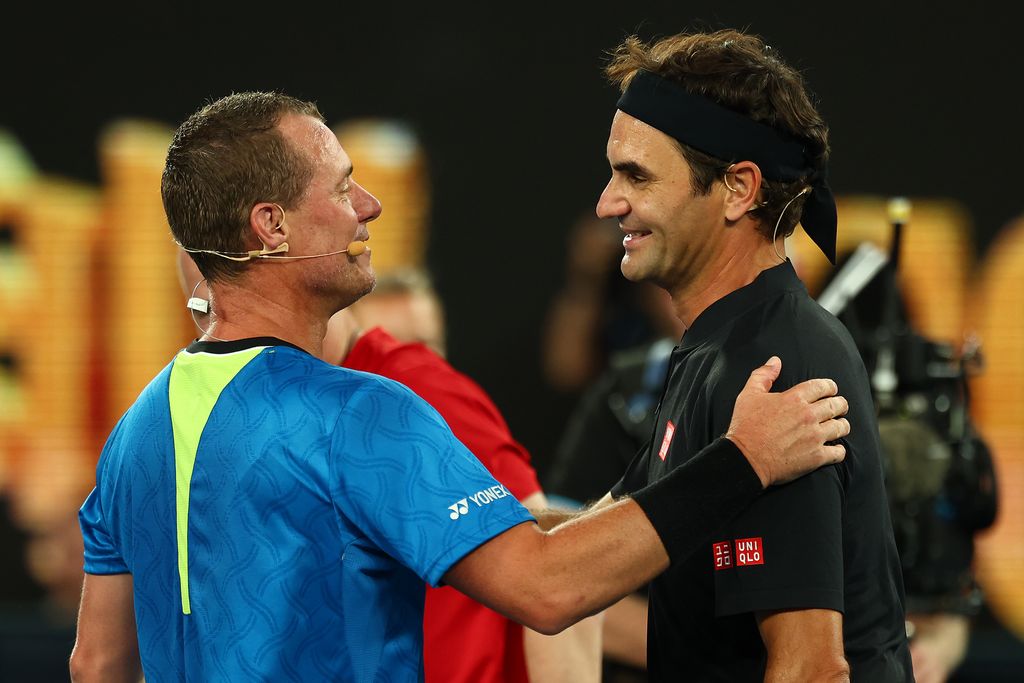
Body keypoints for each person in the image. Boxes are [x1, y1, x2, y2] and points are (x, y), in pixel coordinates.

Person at [70, 91, 850, 682]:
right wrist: (742, 458)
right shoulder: (360, 412)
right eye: (342, 189)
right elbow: (548, 590)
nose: (369, 207)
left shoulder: (133, 431)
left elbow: (97, 663)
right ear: (270, 228)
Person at [594, 30, 912, 681]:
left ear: (739, 188)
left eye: (636, 175)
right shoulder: (715, 348)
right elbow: (581, 549)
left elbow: (811, 669)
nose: (608, 202)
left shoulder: (772, 365)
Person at [180, 255, 602, 683]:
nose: (220, 334)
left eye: (230, 308)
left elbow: (551, 558)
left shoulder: (417, 385)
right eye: (204, 313)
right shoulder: (263, 415)